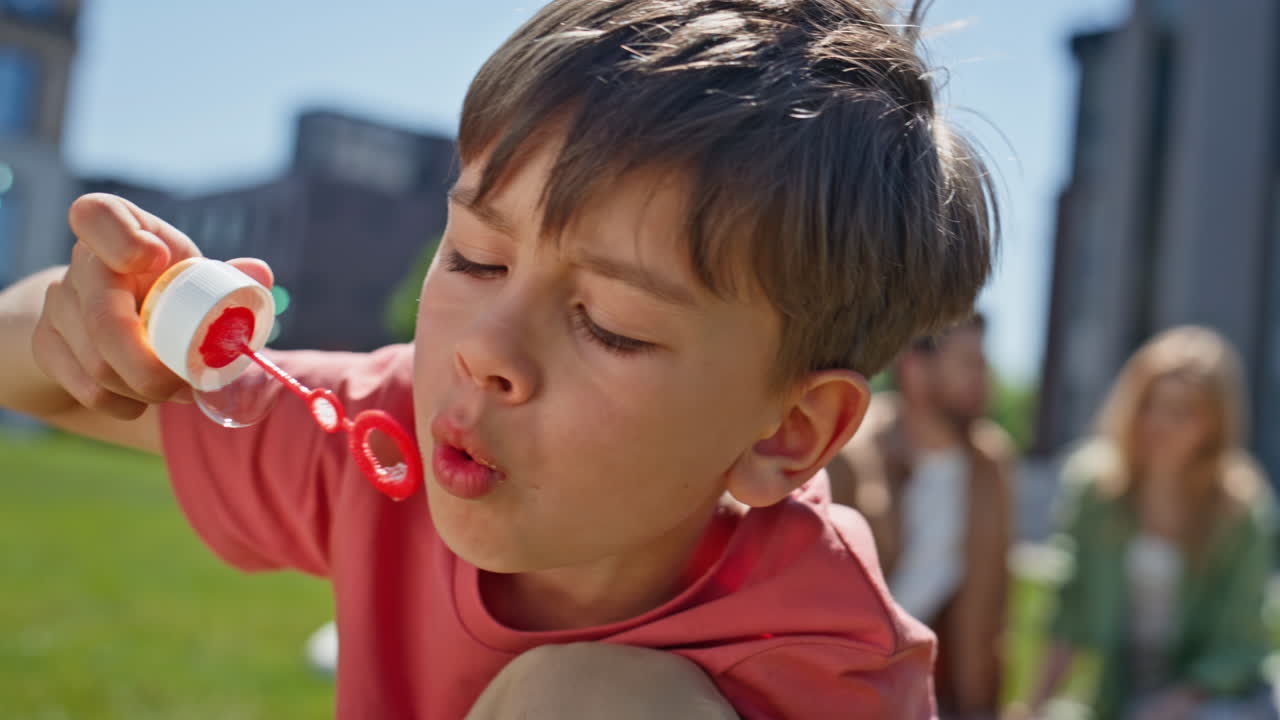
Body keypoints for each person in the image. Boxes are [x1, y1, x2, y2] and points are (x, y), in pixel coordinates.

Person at [0, 0, 1000, 716]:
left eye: (608, 323)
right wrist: (97, 319)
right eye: (475, 256)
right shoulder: (383, 433)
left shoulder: (823, 660)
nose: (483, 351)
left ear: (784, 432)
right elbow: (19, 360)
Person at [1013, 326, 1277, 720]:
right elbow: (1069, 612)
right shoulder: (1094, 489)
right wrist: (1030, 707)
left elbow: (1240, 644)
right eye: (1149, 404)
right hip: (1116, 699)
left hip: (1214, 700)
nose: (1158, 423)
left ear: (1215, 425)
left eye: (1182, 411)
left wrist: (1176, 704)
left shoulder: (1242, 509)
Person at [826, 314, 1015, 719]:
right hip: (846, 687)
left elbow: (995, 600)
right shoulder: (850, 452)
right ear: (914, 367)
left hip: (947, 693)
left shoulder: (991, 465)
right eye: (969, 364)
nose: (983, 380)